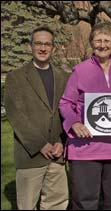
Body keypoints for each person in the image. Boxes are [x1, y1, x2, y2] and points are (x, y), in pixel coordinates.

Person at [59, 22, 111, 210]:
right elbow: (65, 102)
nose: (103, 45)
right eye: (98, 40)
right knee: (85, 203)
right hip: (86, 147)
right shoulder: (80, 70)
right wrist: (74, 123)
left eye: (107, 40)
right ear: (92, 43)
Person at [4, 26, 69, 210]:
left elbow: (69, 111)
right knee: (27, 206)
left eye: (47, 44)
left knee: (57, 204)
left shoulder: (64, 77)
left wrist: (61, 141)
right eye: (38, 43)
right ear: (30, 46)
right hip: (30, 155)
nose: (42, 48)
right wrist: (40, 144)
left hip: (57, 154)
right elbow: (16, 115)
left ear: (53, 48)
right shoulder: (16, 77)